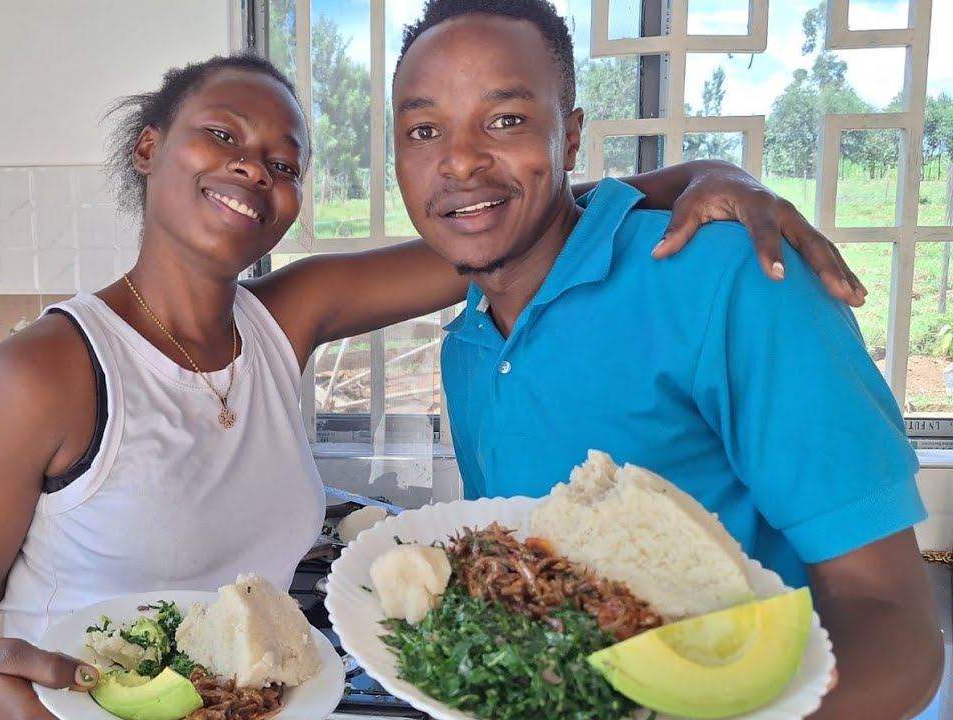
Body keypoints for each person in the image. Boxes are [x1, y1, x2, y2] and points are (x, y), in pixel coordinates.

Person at [0, 49, 869, 719]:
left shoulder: (284, 318)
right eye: (220, 136)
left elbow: (506, 221)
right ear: (151, 148)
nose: (252, 169)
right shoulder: (42, 374)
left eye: (282, 160)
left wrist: (700, 175)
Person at [390, 1, 944, 717]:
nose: (460, 160)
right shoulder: (468, 345)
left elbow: (890, 617)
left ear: (570, 137)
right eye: (424, 130)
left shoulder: (731, 277)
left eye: (505, 120)